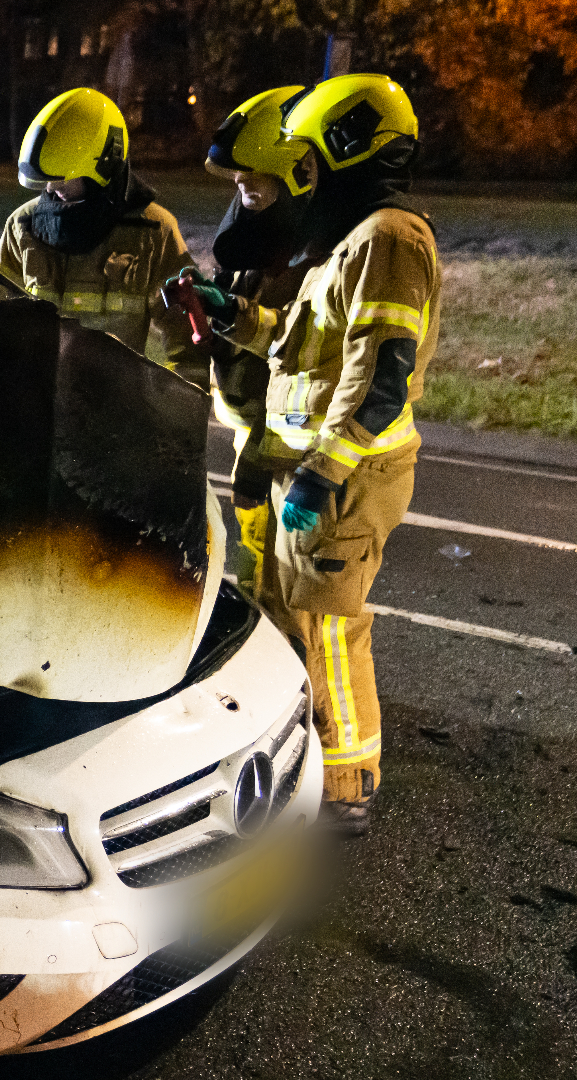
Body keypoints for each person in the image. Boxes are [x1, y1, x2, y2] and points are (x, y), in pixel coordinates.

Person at [173, 74, 438, 836]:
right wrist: (230, 316)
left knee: (330, 626)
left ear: (348, 151)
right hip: (316, 465)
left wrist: (323, 475)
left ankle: (349, 784)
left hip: (347, 476)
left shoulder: (388, 239)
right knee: (291, 614)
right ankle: (306, 753)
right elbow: (300, 351)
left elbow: (379, 377)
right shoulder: (350, 243)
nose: (303, 184)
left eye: (312, 165)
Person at [0, 87, 209, 384]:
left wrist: (177, 417)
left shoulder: (152, 231)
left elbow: (188, 344)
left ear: (103, 165)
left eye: (62, 176)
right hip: (37, 413)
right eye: (47, 179)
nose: (50, 189)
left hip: (114, 414)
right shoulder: (24, 225)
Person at [200, 85, 315, 590]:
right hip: (254, 420)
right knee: (254, 564)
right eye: (238, 179)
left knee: (293, 586)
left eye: (256, 180)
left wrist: (232, 313)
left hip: (292, 433)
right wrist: (202, 305)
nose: (243, 187)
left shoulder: (320, 254)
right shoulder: (251, 233)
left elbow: (296, 338)